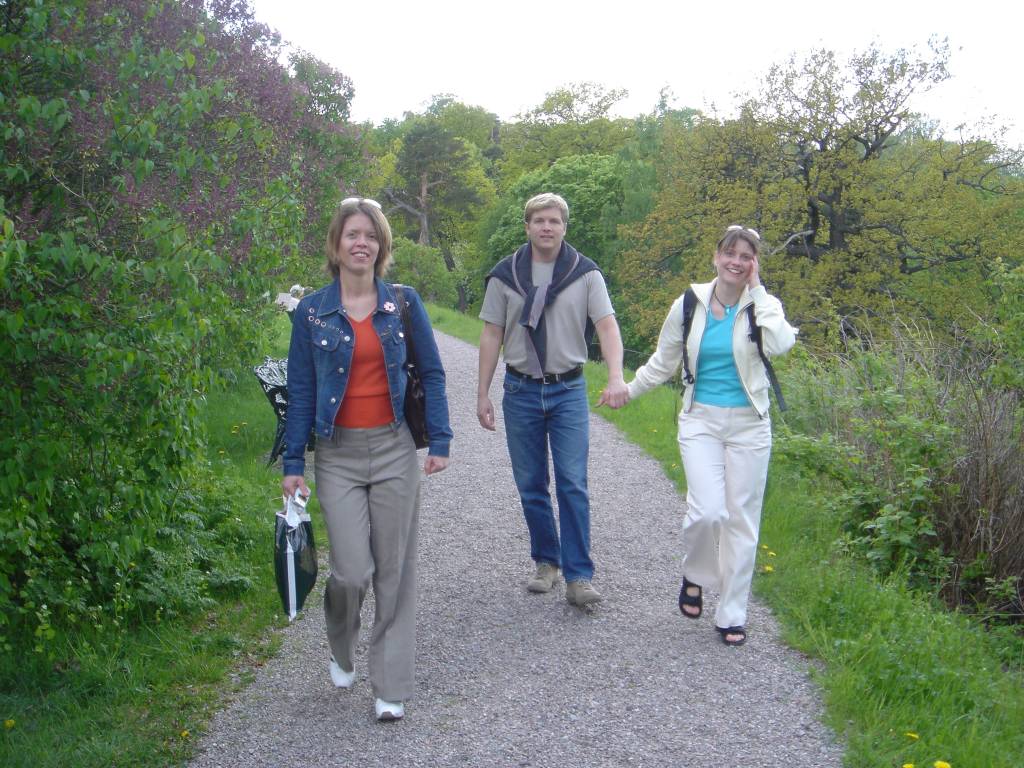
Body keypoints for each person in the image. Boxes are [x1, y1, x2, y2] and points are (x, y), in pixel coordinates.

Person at [281, 197, 452, 720]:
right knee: (351, 572)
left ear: (382, 246)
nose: (362, 243)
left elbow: (433, 372)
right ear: (336, 244)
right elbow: (301, 390)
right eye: (353, 234)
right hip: (338, 454)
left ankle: (390, 687)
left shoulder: (403, 303)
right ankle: (341, 643)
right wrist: (293, 463)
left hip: (394, 447)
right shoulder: (312, 311)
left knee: (395, 570)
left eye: (372, 236)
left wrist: (440, 441)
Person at [614, 225, 796, 646]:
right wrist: (629, 390)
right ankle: (695, 574)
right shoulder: (689, 304)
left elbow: (782, 344)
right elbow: (663, 361)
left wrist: (758, 291)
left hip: (750, 423)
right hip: (701, 420)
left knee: (741, 520)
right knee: (708, 512)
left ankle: (732, 614)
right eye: (730, 253)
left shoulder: (762, 305)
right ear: (716, 257)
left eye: (746, 256)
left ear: (754, 264)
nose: (736, 262)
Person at [477, 192, 628, 607]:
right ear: (527, 226)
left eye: (554, 221)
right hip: (520, 390)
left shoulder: (585, 274)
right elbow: (491, 334)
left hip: (568, 391)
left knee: (572, 482)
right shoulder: (505, 275)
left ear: (564, 227)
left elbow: (607, 326)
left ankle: (579, 576)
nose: (547, 227)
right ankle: (547, 562)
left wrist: (616, 376)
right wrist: (482, 393)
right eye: (539, 220)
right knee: (530, 484)